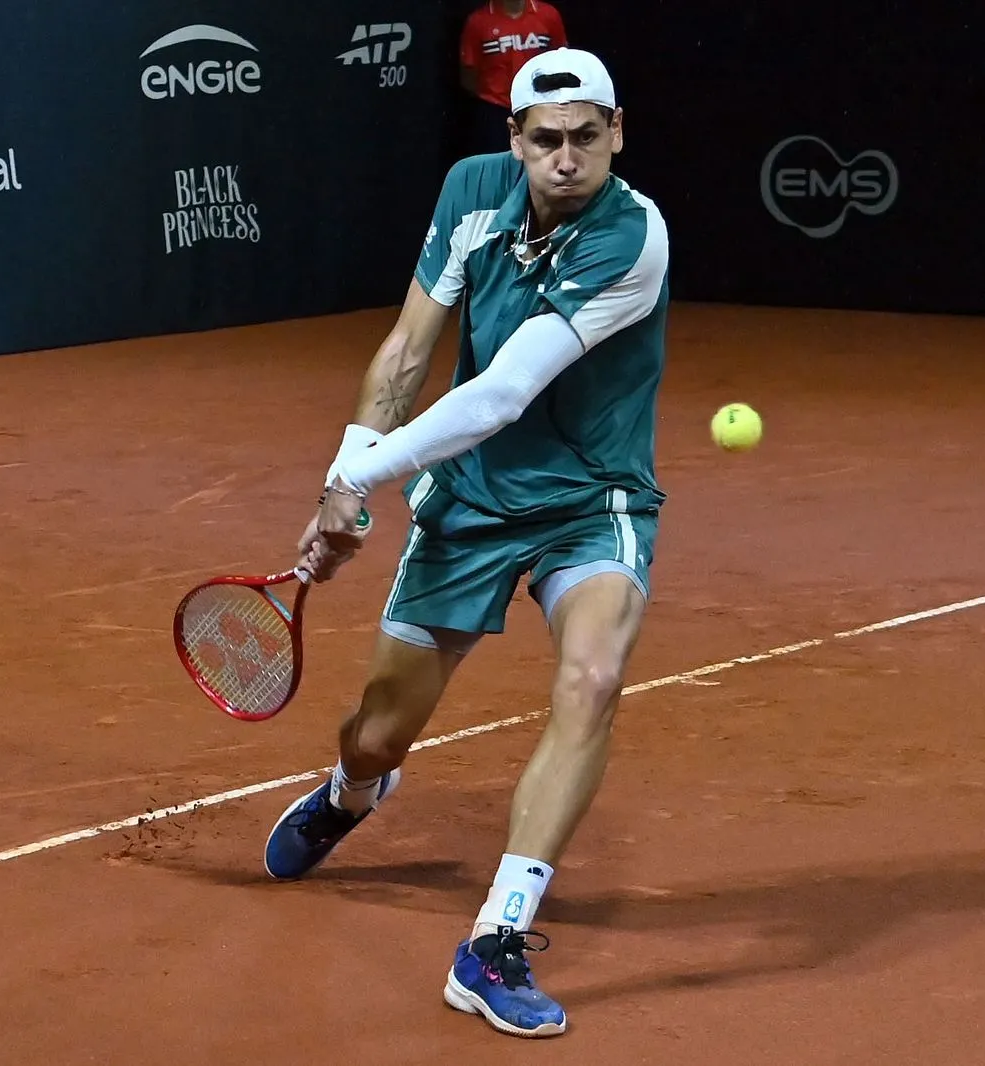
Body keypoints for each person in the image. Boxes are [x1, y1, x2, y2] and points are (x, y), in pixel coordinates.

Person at [263, 47, 669, 1040]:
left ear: (617, 133)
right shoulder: (470, 194)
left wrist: (363, 481)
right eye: (545, 141)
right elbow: (408, 349)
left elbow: (497, 394)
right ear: (514, 142)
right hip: (472, 502)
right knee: (376, 729)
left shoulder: (632, 237)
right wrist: (340, 478)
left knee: (593, 675)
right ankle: (355, 791)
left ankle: (495, 940)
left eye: (586, 137)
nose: (566, 158)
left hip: (593, 497)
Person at [460, 0, 569, 152]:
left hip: (540, 105)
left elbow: (562, 59)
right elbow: (468, 73)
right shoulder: (478, 21)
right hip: (494, 112)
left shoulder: (548, 15)